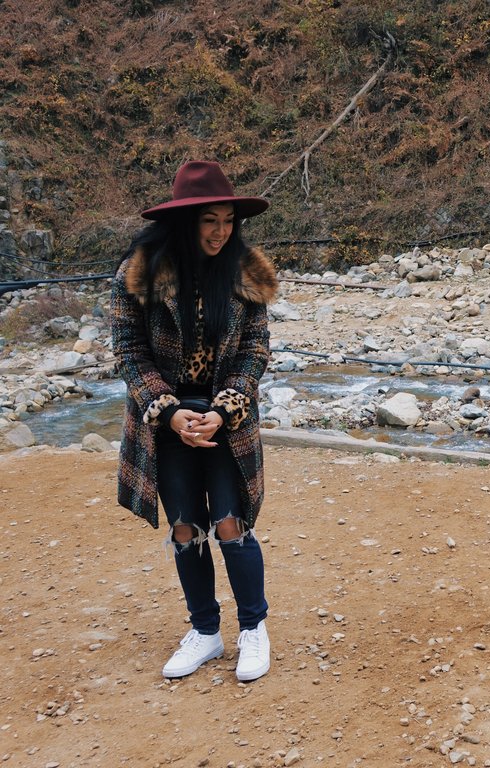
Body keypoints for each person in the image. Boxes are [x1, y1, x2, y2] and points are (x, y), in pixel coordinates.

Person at [111, 160, 278, 681]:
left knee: (230, 522)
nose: (221, 232)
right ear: (185, 222)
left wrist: (226, 407)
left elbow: (255, 350)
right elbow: (128, 351)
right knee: (186, 528)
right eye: (210, 220)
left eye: (228, 221)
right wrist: (169, 410)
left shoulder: (246, 271)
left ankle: (253, 628)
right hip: (167, 419)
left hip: (228, 416)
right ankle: (205, 631)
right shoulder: (137, 275)